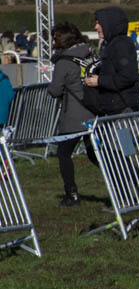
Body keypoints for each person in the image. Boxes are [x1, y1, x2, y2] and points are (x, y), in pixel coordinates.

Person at [46, 22, 99, 207]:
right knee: (95, 153)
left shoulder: (64, 62)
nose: (52, 42)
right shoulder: (90, 53)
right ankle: (126, 182)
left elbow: (55, 90)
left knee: (63, 153)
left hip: (74, 115)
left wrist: (52, 87)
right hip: (93, 110)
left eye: (54, 38)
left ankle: (72, 193)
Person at [84, 6, 139, 115]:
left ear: (109, 23)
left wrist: (99, 81)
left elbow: (127, 76)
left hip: (123, 107)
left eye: (99, 23)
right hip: (115, 105)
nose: (95, 27)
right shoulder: (111, 44)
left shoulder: (121, 45)